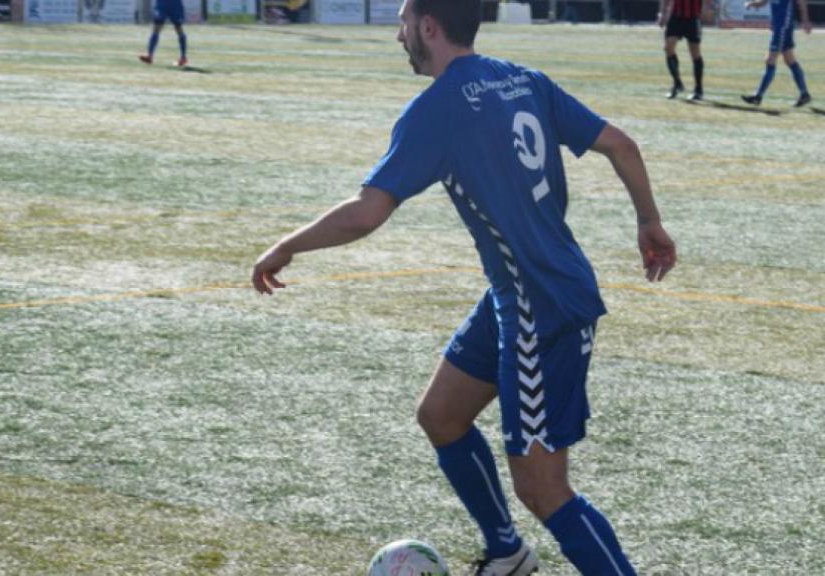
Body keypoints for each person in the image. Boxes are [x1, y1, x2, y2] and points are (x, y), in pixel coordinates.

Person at [251, 0, 677, 573]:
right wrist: (649, 221)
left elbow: (365, 212)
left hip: (538, 307)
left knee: (544, 488)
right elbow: (621, 144)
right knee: (442, 415)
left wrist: (288, 245)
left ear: (429, 26)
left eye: (403, 23)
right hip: (521, 290)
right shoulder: (523, 80)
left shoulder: (437, 110)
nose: (400, 35)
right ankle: (506, 552)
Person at [740, 0, 811, 107]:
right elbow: (763, 2)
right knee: (789, 60)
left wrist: (805, 20)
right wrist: (752, 4)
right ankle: (804, 94)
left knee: (770, 60)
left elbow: (801, 2)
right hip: (779, 27)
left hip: (783, 27)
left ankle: (758, 96)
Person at [658, 0, 705, 100]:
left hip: (693, 18)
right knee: (668, 48)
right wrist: (662, 13)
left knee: (695, 53)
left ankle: (698, 89)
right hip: (676, 16)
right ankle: (677, 83)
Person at [138, 0, 188, 67]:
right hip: (162, 3)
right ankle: (149, 56)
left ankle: (183, 57)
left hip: (175, 3)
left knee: (178, 28)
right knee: (157, 27)